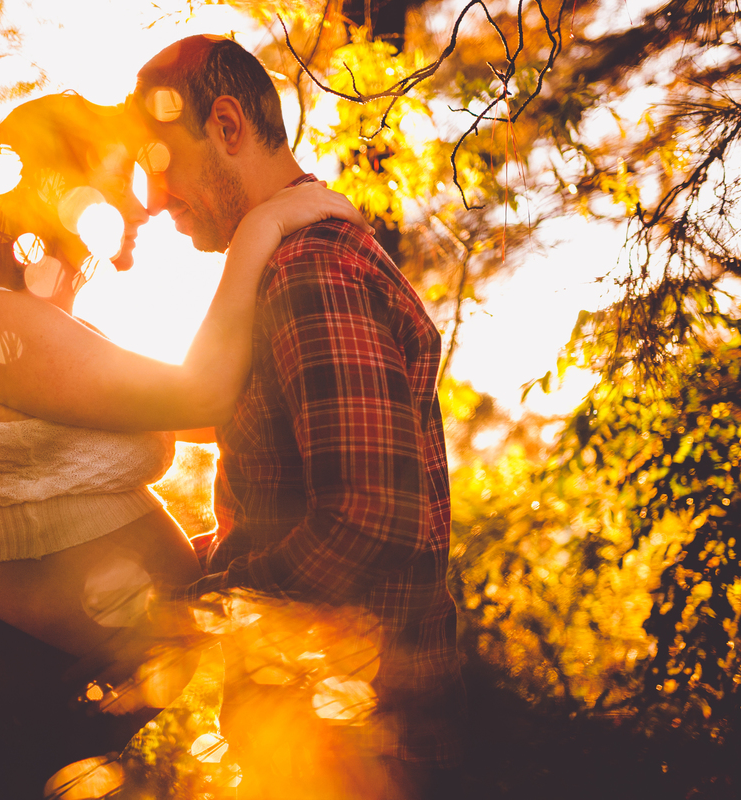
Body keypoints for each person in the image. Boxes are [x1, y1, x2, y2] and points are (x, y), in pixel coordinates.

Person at [0, 93, 367, 800]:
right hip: (4, 701)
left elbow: (223, 417)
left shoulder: (58, 330)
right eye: (123, 181)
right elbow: (203, 395)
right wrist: (262, 225)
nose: (147, 203)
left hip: (70, 706)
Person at [132, 36, 466, 799]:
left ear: (225, 126)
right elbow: (282, 489)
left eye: (160, 163)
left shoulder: (309, 270)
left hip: (352, 745)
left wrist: (204, 608)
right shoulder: (284, 262)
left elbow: (370, 514)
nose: (154, 199)